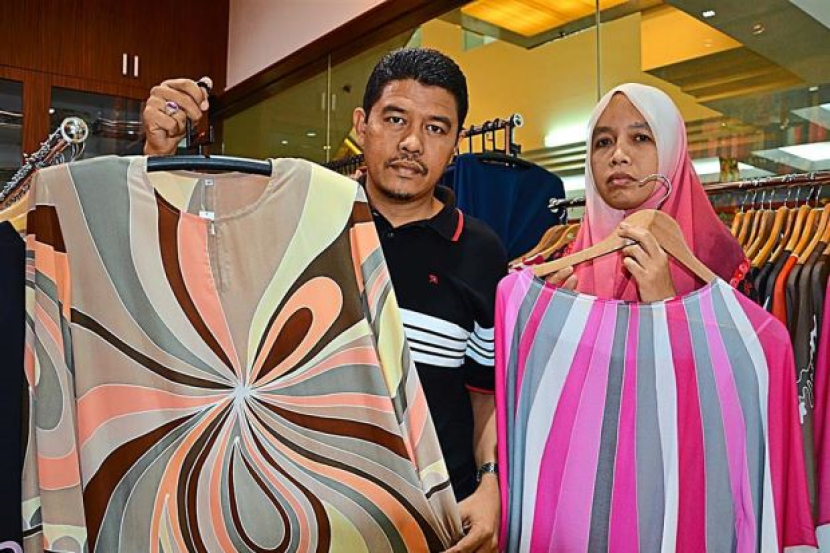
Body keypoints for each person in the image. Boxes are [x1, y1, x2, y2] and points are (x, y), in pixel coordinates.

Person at [142, 48, 506, 553]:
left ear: (455, 145)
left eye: (435, 128)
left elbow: (483, 394)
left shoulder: (482, 250)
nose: (411, 142)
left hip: (436, 517)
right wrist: (161, 156)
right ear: (362, 124)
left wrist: (489, 485)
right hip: (307, 512)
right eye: (395, 118)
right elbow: (187, 279)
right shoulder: (299, 216)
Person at [546, 82, 750, 301]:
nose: (618, 155)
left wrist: (666, 302)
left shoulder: (717, 256)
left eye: (641, 138)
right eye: (603, 142)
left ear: (671, 148)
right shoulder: (564, 264)